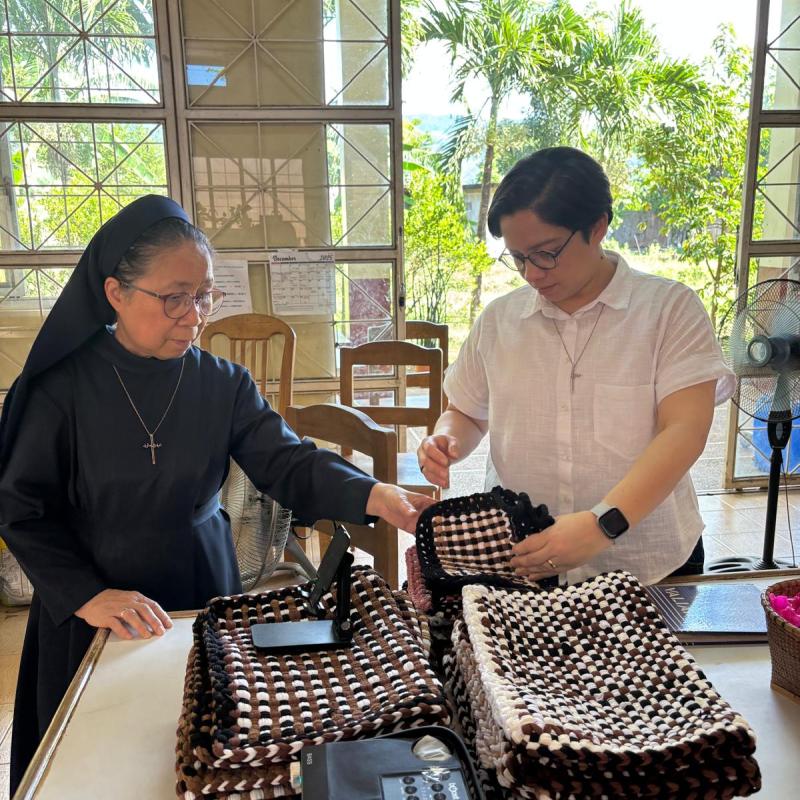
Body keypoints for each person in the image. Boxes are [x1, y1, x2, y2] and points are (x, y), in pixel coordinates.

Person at [0, 195, 434, 793]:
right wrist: (87, 595)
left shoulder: (222, 382)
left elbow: (287, 461)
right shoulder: (59, 388)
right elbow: (21, 509)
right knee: (106, 764)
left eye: (205, 295)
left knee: (210, 751)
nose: (194, 315)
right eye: (174, 297)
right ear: (115, 293)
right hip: (95, 597)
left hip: (201, 581)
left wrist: (374, 494)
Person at [417, 147, 734, 587]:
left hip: (646, 561)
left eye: (546, 253)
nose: (532, 274)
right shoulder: (499, 320)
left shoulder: (668, 310)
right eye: (518, 257)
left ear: (597, 227)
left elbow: (684, 431)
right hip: (527, 556)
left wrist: (602, 524)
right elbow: (466, 412)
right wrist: (446, 438)